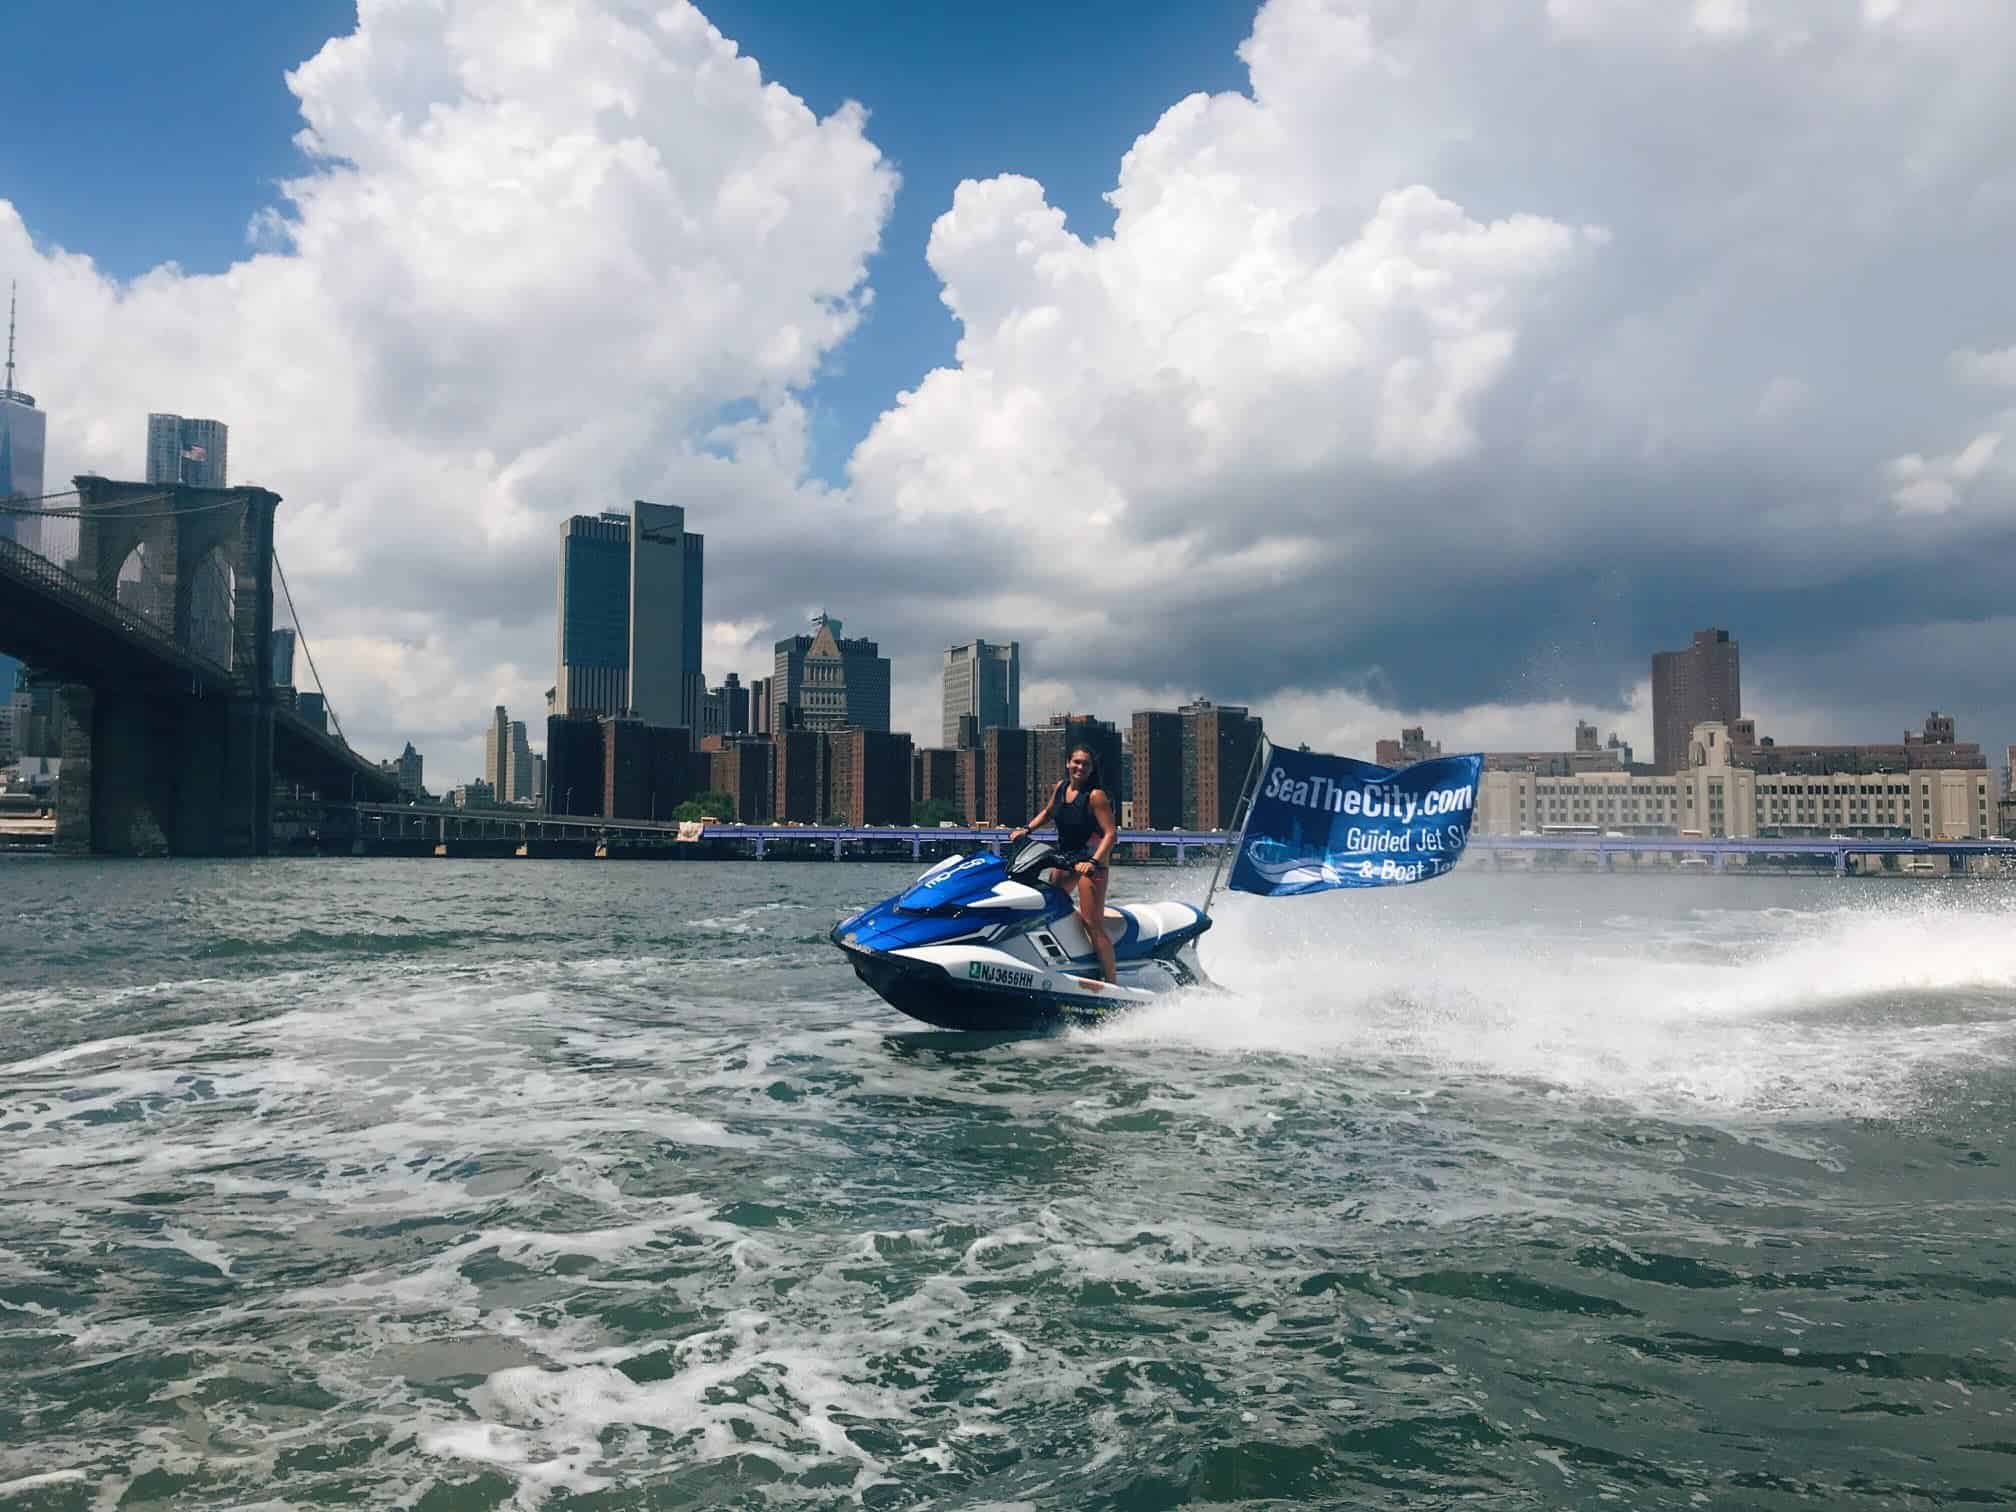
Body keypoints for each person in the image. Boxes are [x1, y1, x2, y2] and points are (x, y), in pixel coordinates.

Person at [1010, 745, 1119, 984]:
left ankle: (1112, 983)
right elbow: (1048, 813)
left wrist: (1092, 861)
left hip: (1091, 864)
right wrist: (1026, 829)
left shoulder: (1095, 796)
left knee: (1092, 923)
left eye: (1086, 764)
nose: (1080, 767)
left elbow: (1111, 834)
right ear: (1068, 763)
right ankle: (1064, 960)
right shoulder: (1060, 788)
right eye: (1077, 762)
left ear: (1091, 769)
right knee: (1050, 907)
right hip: (1066, 858)